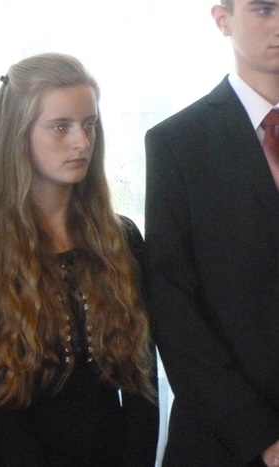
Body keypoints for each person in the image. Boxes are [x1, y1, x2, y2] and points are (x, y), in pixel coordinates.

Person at [0, 52, 159, 466]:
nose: (82, 142)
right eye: (61, 127)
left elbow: (142, 388)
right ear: (18, 134)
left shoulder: (121, 239)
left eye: (89, 124)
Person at [144, 1, 279, 465]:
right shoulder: (178, 143)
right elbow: (173, 307)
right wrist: (260, 437)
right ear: (223, 20)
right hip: (223, 440)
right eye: (264, 9)